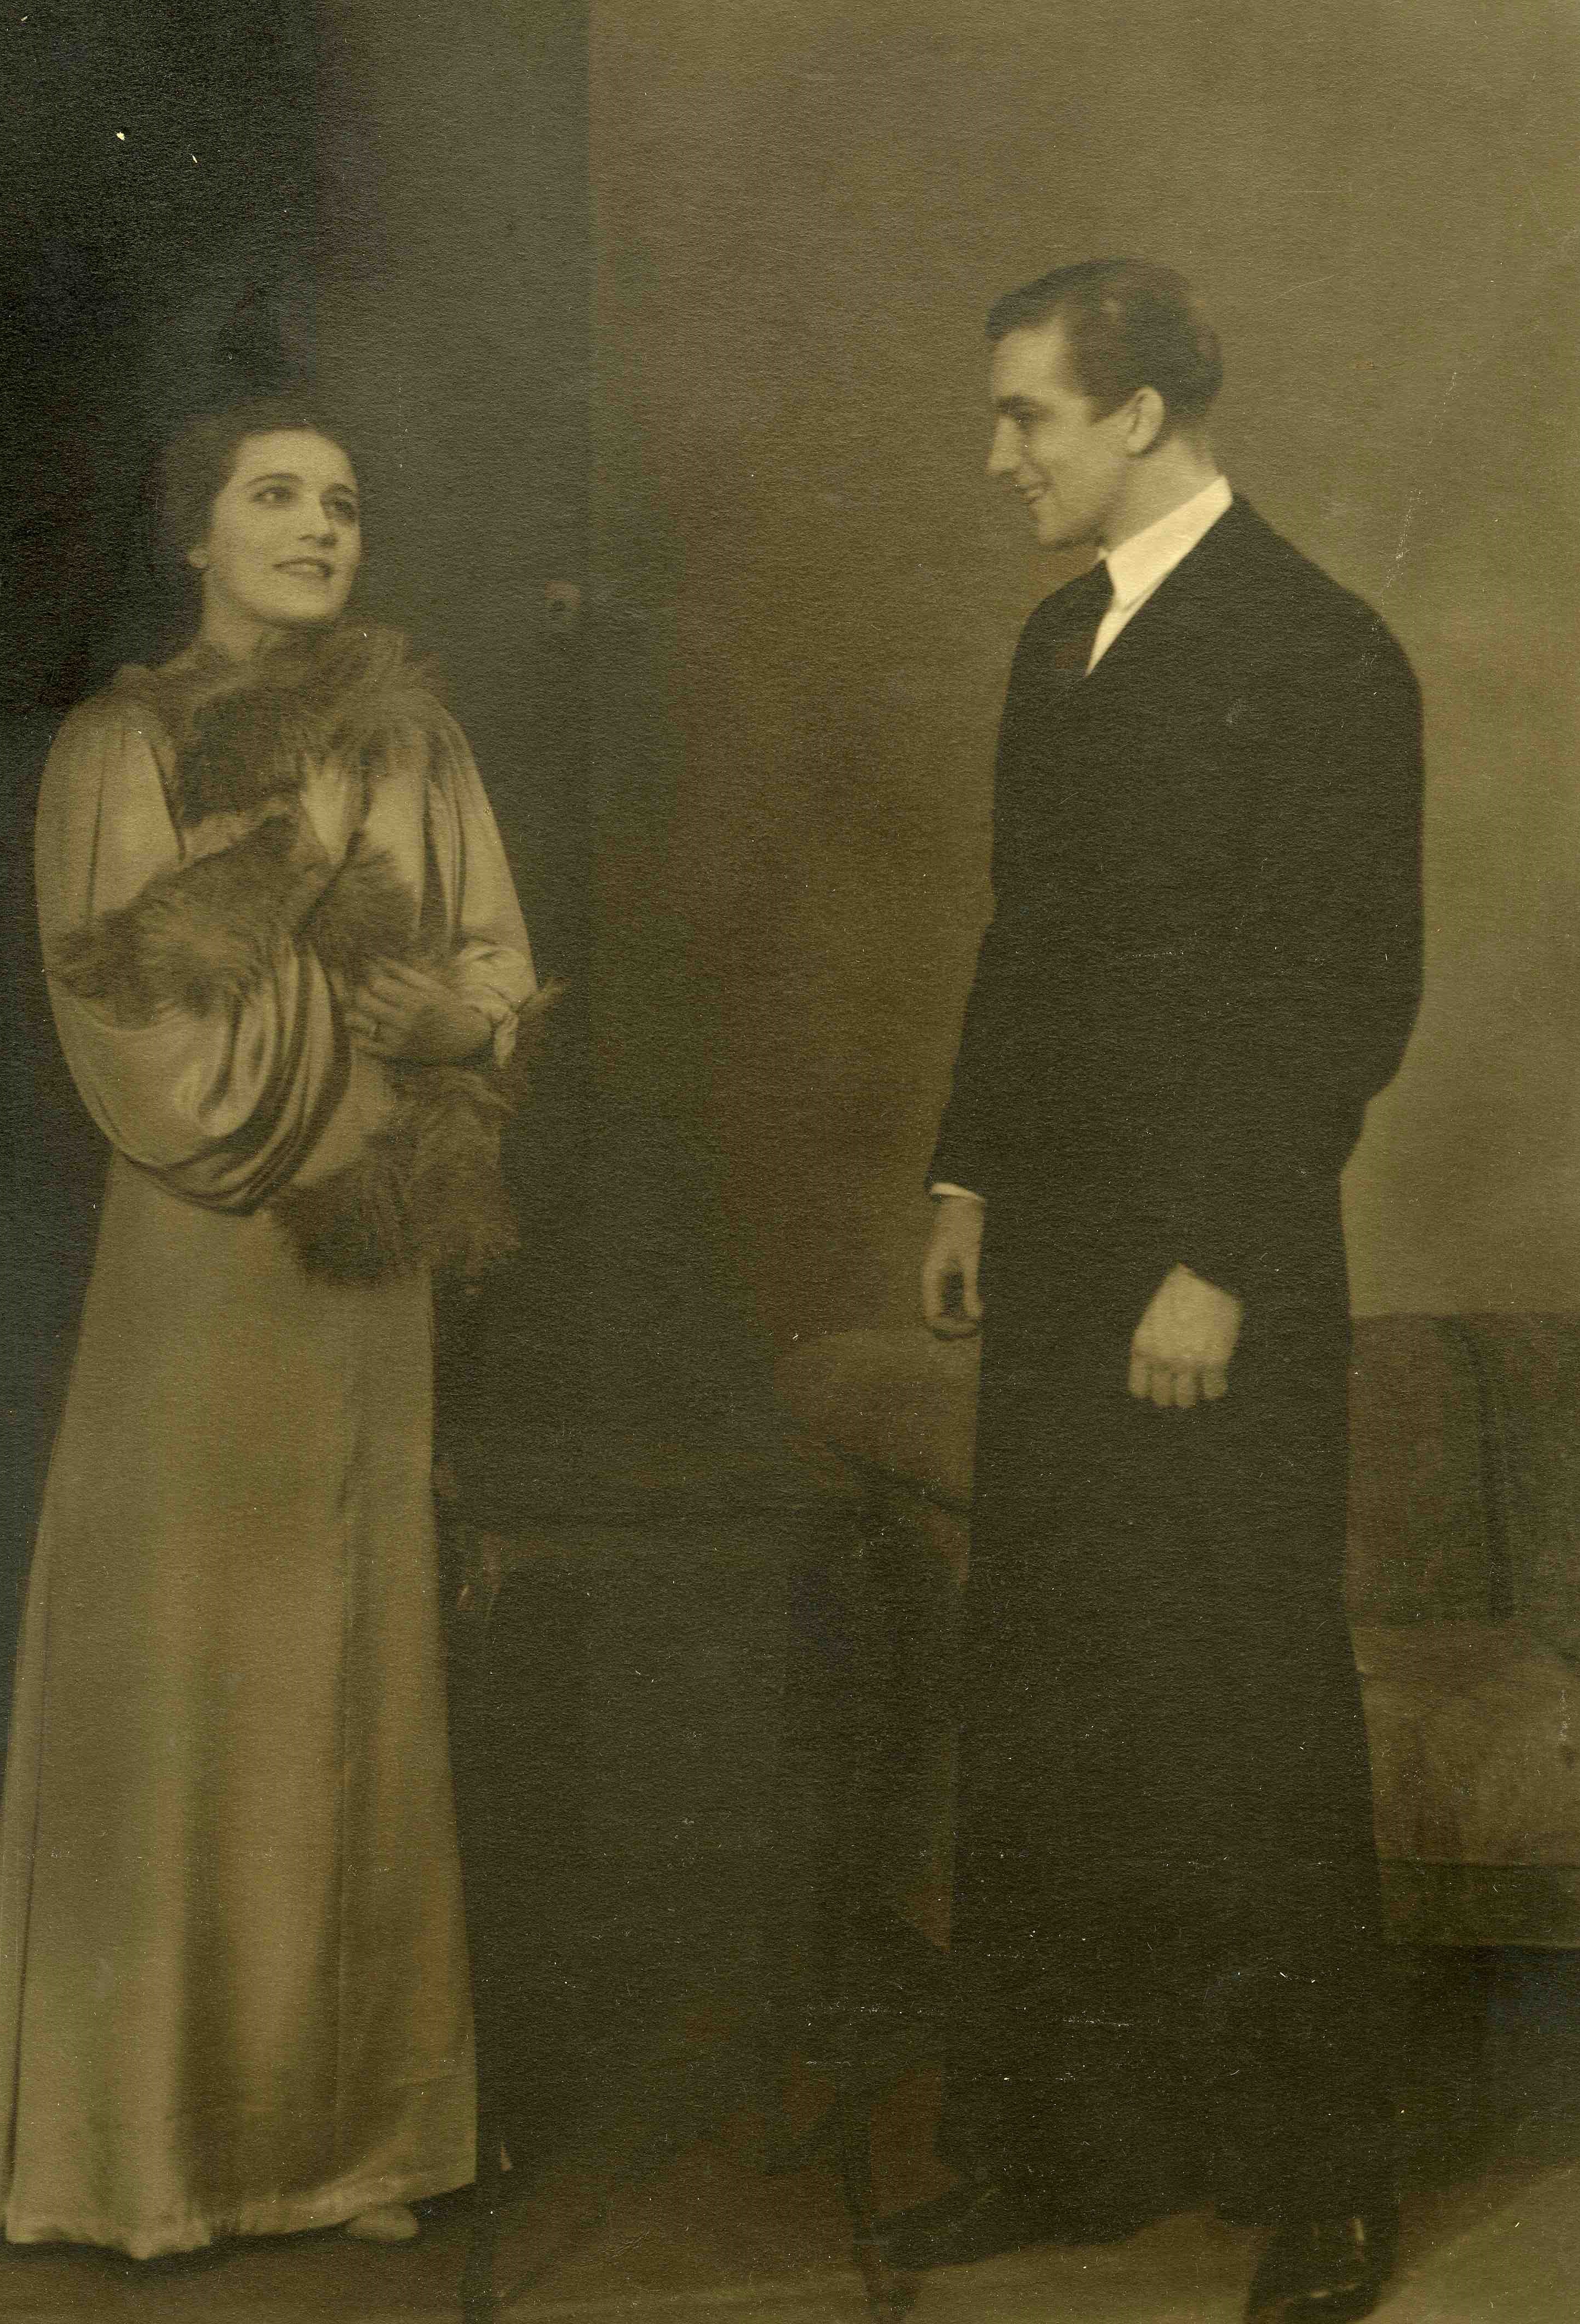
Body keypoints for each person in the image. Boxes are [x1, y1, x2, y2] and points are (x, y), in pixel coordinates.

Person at [883, 264, 1423, 2323]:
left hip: (1220, 1268)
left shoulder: (1321, 647)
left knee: (1244, 1714)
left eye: (1023, 414)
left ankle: (1324, 2188)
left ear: (1138, 414)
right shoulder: (1058, 642)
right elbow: (1023, 938)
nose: (994, 456)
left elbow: (1338, 989)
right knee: (1044, 1696)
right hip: (1050, 1251)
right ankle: (1050, 2151)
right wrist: (964, 1172)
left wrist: (1218, 1260)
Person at [0, 394, 540, 2257]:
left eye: (341, 501)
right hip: (212, 1271)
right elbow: (150, 1055)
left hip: (374, 1284)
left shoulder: (418, 739)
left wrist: (463, 1029)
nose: (317, 527)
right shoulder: (120, 748)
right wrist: (351, 994)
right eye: (272, 495)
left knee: (352, 1691)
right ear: (191, 535)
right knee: (191, 1684)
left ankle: (346, 2148)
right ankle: (155, 2162)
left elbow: (496, 965)